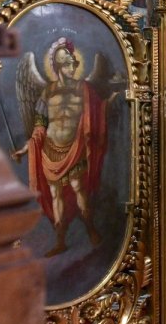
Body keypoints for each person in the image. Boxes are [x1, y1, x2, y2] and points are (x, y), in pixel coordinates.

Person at [13, 38, 113, 258]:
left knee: (80, 190)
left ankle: (90, 228)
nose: (71, 67)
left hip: (75, 149)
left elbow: (98, 111)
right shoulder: (46, 93)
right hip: (50, 150)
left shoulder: (84, 88)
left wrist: (110, 103)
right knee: (56, 194)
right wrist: (26, 148)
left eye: (72, 62)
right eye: (65, 64)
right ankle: (60, 241)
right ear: (57, 67)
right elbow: (39, 126)